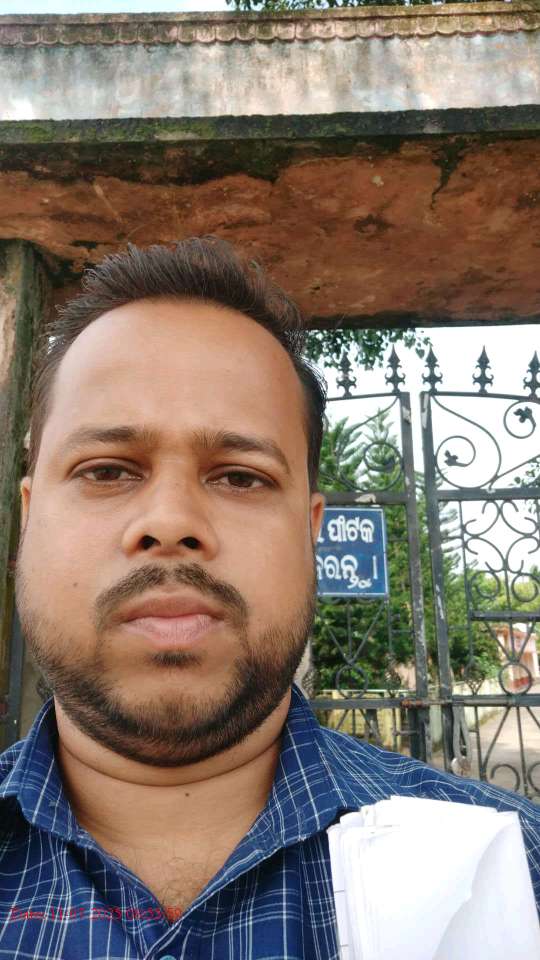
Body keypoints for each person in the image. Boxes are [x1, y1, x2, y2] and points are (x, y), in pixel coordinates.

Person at [0, 237, 538, 960]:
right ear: (29, 515)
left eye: (240, 477)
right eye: (107, 470)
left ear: (310, 531)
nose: (171, 522)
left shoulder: (514, 871)